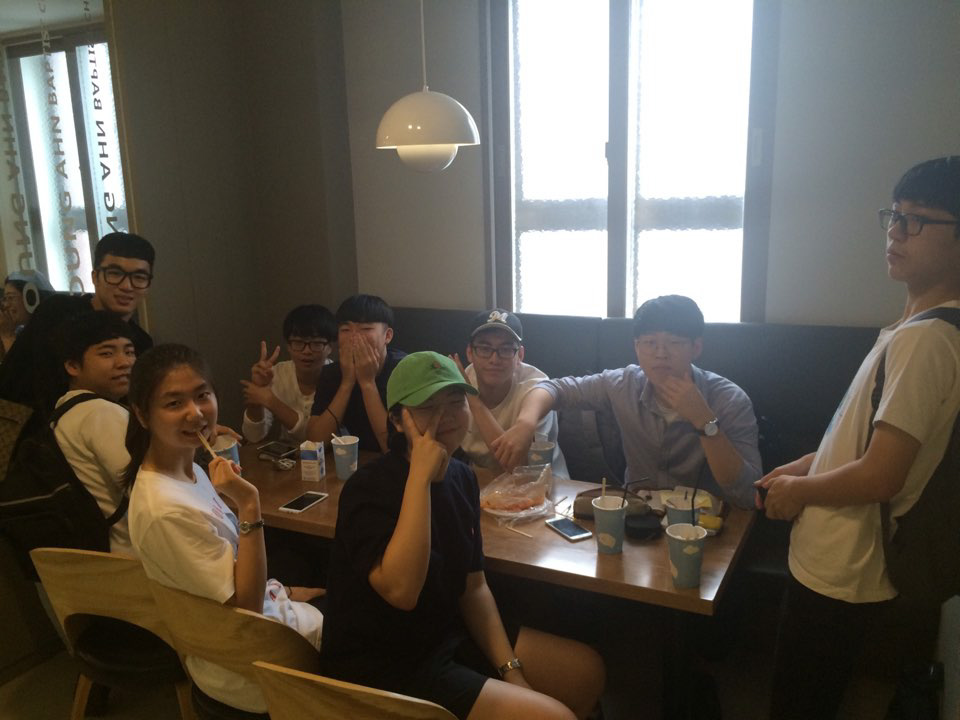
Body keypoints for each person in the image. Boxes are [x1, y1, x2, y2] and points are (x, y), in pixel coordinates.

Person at [758, 156, 960, 719]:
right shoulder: (909, 330)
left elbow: (881, 475)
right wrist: (806, 464)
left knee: (799, 703)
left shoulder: (927, 341)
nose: (896, 232)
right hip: (834, 556)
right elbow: (862, 439)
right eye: (894, 216)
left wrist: (798, 492)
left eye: (918, 220)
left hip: (844, 564)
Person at [320, 352, 604, 720]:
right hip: (386, 662)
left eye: (456, 402)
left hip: (446, 633)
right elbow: (401, 591)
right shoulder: (368, 487)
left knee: (586, 673)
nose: (447, 417)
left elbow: (474, 587)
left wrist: (512, 672)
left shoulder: (462, 477)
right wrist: (420, 478)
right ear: (397, 420)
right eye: (428, 407)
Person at [125, 344, 324, 714]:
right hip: (254, 668)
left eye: (202, 395)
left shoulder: (190, 470)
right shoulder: (164, 510)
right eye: (174, 403)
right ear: (142, 414)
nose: (195, 412)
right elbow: (247, 607)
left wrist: (285, 591)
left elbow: (230, 571)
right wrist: (248, 504)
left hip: (262, 627)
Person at [495, 295, 761, 509]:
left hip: (703, 527)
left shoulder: (729, 400)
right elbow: (554, 388)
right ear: (636, 346)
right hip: (637, 517)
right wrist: (525, 423)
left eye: (674, 343)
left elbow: (749, 494)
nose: (660, 353)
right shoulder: (624, 384)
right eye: (650, 342)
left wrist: (705, 422)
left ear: (696, 348)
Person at [0, 232, 155, 414]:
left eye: (139, 277)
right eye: (115, 274)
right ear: (95, 277)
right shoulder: (59, 312)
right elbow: (20, 378)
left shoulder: (141, 342)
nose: (127, 286)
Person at [53, 312, 136, 555]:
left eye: (129, 351)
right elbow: (145, 488)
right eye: (107, 353)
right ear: (73, 366)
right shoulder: (100, 413)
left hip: (103, 553)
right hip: (133, 554)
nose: (124, 362)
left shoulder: (65, 410)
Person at [451, 309, 569, 478]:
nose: (494, 359)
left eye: (506, 349)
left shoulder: (538, 390)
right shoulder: (458, 382)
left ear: (519, 355)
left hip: (545, 483)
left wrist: (474, 401)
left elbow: (520, 468)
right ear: (470, 353)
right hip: (480, 482)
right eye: (484, 348)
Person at [306, 294, 405, 452]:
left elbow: (394, 449)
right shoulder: (331, 373)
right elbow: (314, 442)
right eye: (345, 329)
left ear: (387, 336)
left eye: (365, 329)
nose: (354, 338)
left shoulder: (404, 371)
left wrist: (367, 383)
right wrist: (347, 383)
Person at [241, 304, 336, 445]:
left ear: (330, 347)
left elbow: (314, 438)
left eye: (316, 343)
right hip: (289, 454)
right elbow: (253, 436)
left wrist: (271, 401)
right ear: (288, 346)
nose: (307, 351)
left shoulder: (338, 378)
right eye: (298, 343)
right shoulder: (276, 374)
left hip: (329, 455)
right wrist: (257, 399)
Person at [1, 270, 54, 355]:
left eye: (10, 297)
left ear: (31, 298)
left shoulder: (51, 334)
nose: (6, 305)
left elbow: (20, 363)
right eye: (5, 298)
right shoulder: (21, 331)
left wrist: (8, 335)